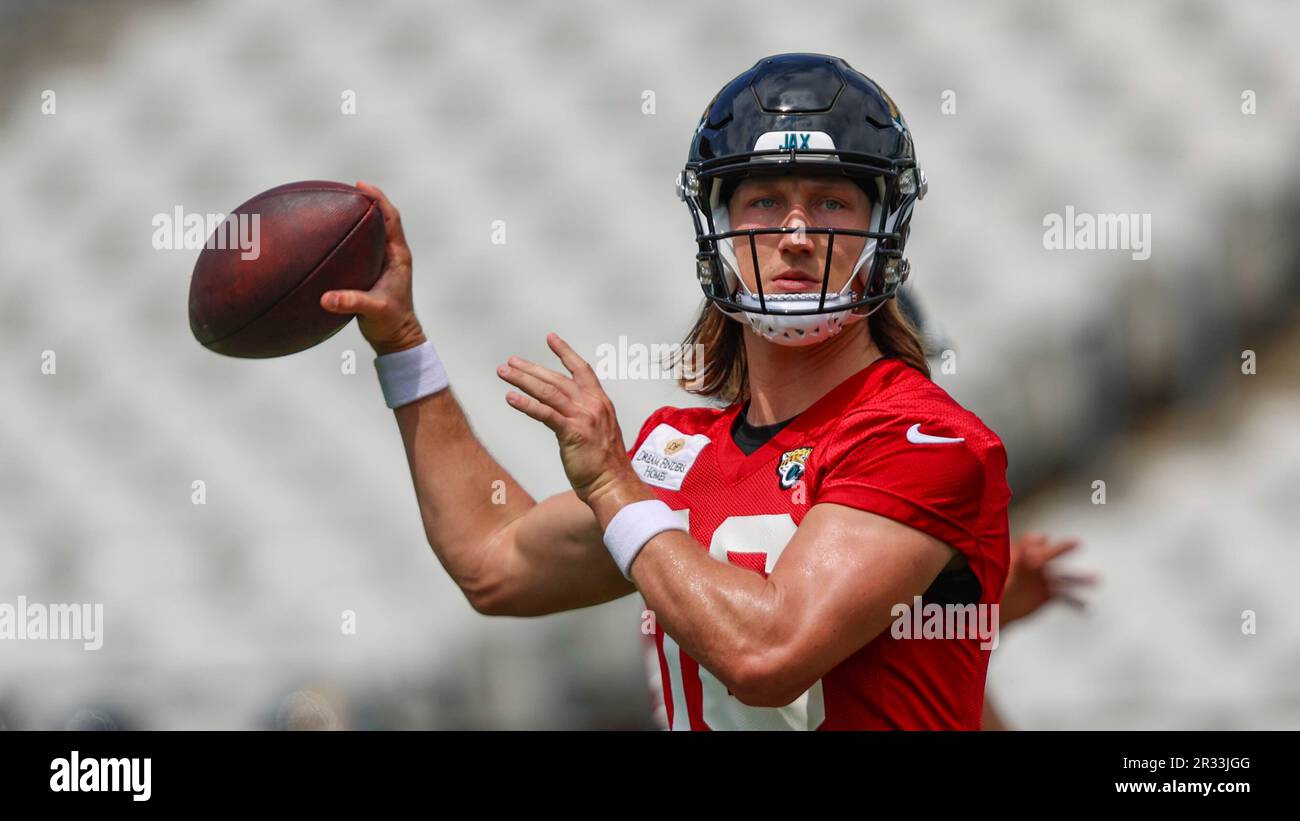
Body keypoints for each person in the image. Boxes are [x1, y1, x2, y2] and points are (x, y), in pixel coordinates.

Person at [321, 53, 1011, 730]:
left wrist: (615, 487)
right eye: (766, 200)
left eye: (830, 201)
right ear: (716, 224)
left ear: (882, 226)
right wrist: (402, 342)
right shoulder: (676, 456)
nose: (797, 234)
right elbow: (492, 560)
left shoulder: (927, 439)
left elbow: (768, 651)